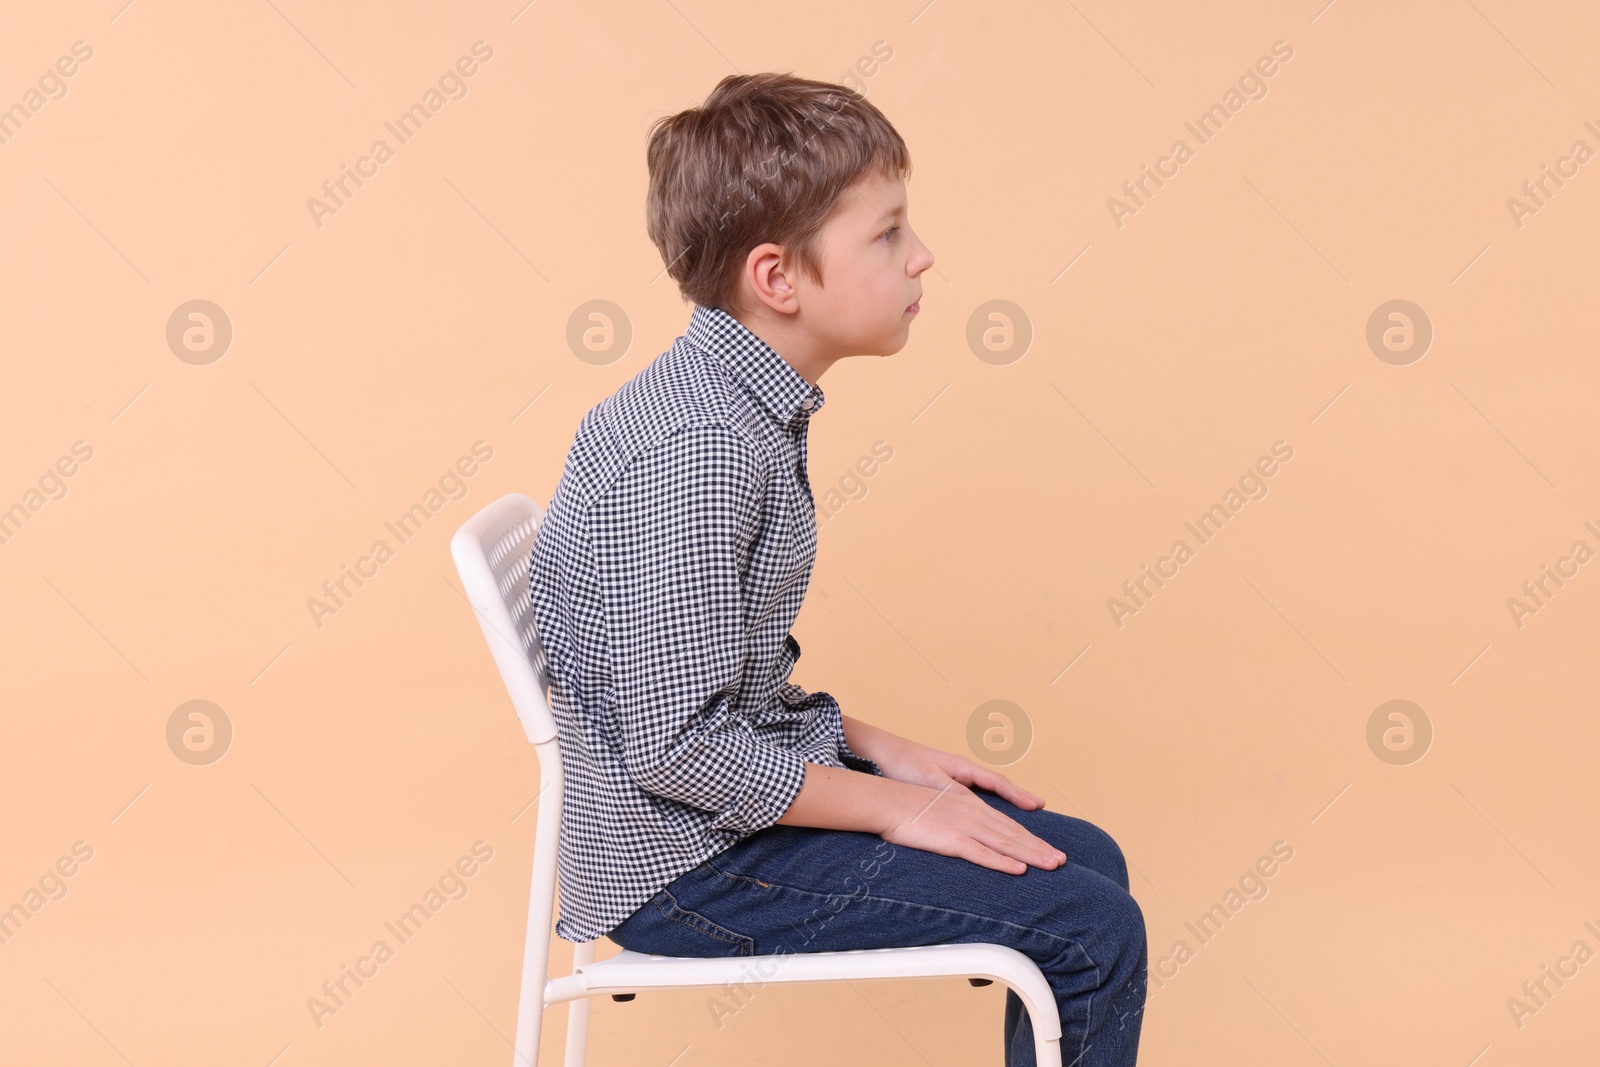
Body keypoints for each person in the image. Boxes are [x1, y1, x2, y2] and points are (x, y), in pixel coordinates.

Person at [527, 71, 1147, 1067]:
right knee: (1086, 924)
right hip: (686, 866)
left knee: (1089, 865)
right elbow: (676, 747)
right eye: (888, 233)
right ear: (778, 279)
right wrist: (898, 805)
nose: (923, 255)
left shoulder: (734, 405)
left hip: (710, 817)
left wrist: (882, 749)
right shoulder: (701, 446)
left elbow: (716, 683)